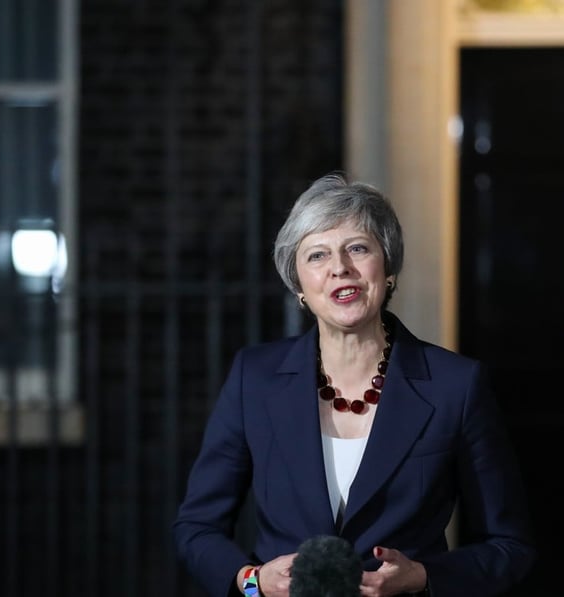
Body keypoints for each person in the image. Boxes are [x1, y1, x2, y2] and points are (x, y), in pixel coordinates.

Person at [173, 173, 535, 597]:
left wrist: (420, 576)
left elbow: (510, 546)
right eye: (317, 256)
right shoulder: (254, 378)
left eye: (357, 248)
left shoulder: (456, 385)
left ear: (388, 266)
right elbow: (197, 528)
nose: (339, 268)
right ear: (299, 286)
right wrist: (252, 582)